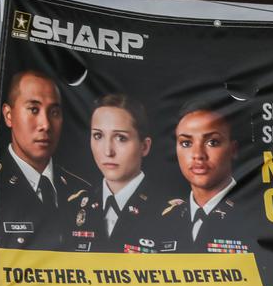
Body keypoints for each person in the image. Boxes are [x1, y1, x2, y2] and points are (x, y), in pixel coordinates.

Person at [0, 70, 89, 250]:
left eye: (54, 112)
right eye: (33, 109)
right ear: (8, 115)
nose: (45, 125)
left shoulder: (82, 190)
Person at [67, 94, 161, 253]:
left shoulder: (168, 211)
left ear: (144, 147)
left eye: (121, 138)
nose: (107, 151)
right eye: (98, 136)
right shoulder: (72, 207)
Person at [161, 97, 253, 254]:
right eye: (186, 143)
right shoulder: (166, 219)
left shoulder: (253, 213)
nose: (198, 155)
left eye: (212, 142)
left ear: (233, 149)